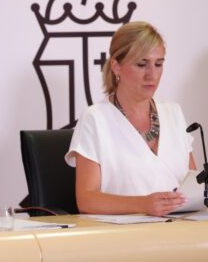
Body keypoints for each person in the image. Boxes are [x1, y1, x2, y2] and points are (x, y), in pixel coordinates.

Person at [65, 21, 195, 216]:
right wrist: (143, 205)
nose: (152, 74)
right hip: (123, 238)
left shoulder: (174, 112)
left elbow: (193, 186)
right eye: (142, 64)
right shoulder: (95, 119)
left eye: (158, 64)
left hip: (179, 232)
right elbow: (86, 199)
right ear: (116, 66)